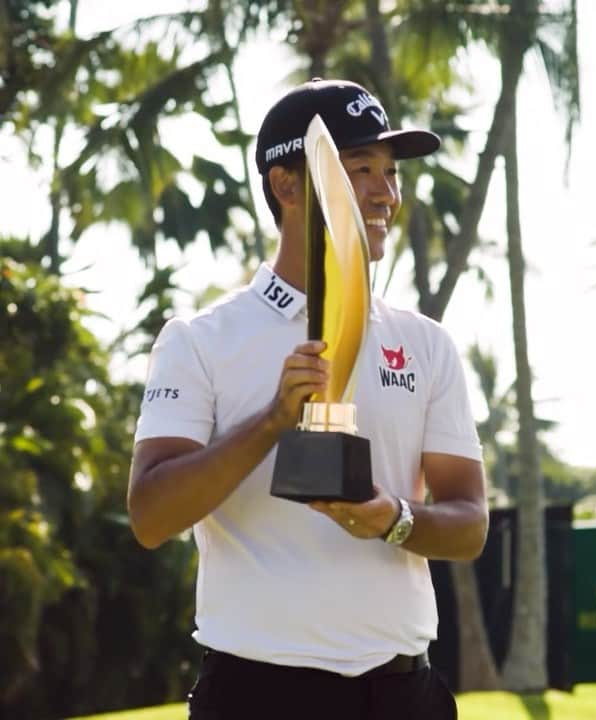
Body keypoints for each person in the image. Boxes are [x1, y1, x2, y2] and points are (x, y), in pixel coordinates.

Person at [127, 78, 488, 720]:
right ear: (287, 185)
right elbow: (151, 516)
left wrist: (392, 518)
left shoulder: (426, 343)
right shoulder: (200, 339)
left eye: (389, 172)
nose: (384, 192)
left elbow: (469, 524)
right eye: (359, 169)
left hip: (404, 693)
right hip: (258, 694)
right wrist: (271, 421)